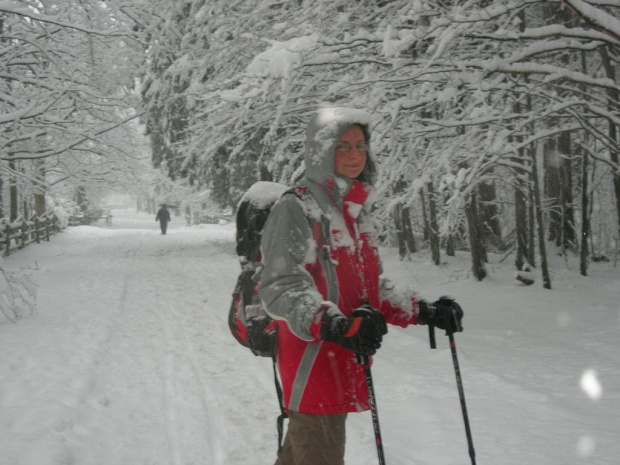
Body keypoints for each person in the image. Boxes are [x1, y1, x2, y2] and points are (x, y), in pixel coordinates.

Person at [259, 107, 464, 465]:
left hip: (343, 355)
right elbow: (280, 286)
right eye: (343, 146)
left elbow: (368, 289)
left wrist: (423, 311)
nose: (354, 155)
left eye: (360, 145)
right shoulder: (297, 207)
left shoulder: (354, 212)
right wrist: (332, 323)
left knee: (301, 454)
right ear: (322, 150)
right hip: (313, 360)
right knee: (319, 451)